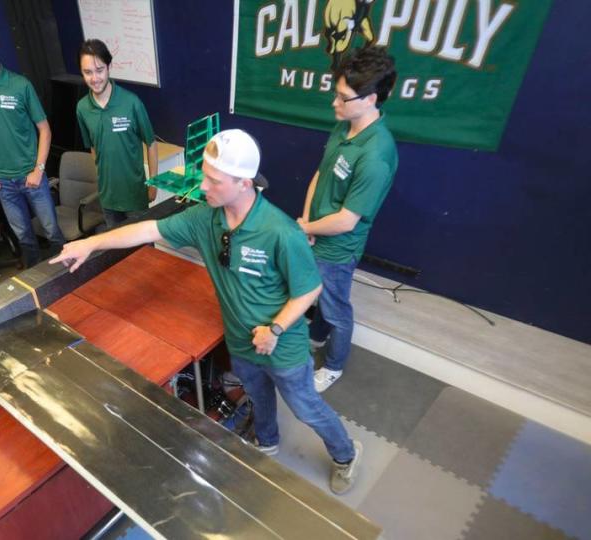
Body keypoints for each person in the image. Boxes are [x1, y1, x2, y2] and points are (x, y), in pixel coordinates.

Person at [51, 129, 363, 495]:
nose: (202, 186)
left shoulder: (279, 231)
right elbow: (146, 229)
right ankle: (267, 442)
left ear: (244, 183)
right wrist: (90, 243)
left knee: (305, 407)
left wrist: (275, 329)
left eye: (212, 180)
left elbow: (310, 288)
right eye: (204, 175)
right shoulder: (206, 219)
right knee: (257, 395)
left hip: (282, 345)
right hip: (241, 341)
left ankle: (346, 454)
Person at [298, 46, 398, 393]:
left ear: (370, 99)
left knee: (337, 309)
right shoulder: (345, 126)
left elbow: (345, 221)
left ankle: (335, 365)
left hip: (338, 248)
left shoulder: (376, 156)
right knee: (320, 298)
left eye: (343, 98)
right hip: (315, 232)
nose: (334, 104)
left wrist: (307, 229)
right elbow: (319, 173)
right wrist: (308, 219)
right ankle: (314, 337)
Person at [0, 15, 64, 267]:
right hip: (3, 182)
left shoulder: (20, 85)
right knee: (24, 238)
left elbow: (45, 130)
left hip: (32, 177)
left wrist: (39, 169)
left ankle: (69, 281)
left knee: (52, 233)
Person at [76, 39, 158, 228]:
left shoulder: (131, 102)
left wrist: (153, 183)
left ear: (109, 67)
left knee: (143, 251)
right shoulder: (82, 108)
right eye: (87, 72)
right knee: (117, 253)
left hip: (135, 195)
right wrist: (101, 178)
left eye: (100, 70)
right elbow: (93, 148)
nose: (95, 78)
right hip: (108, 198)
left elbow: (151, 144)